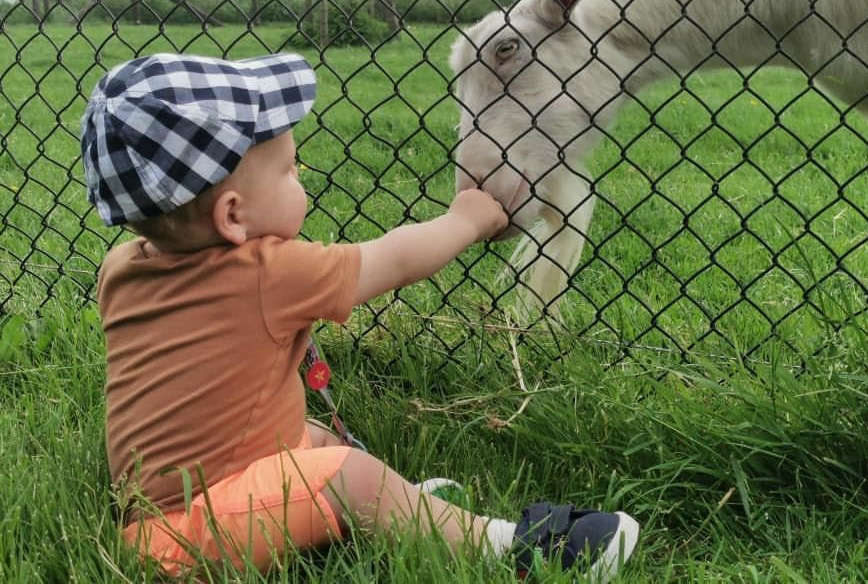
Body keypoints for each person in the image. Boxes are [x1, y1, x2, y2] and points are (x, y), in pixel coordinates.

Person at [81, 52, 639, 579]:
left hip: (164, 514)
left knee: (317, 440)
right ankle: (513, 549)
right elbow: (393, 259)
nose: (302, 178)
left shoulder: (121, 269)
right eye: (290, 170)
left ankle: (408, 510)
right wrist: (468, 220)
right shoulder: (268, 272)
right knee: (350, 475)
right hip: (192, 537)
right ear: (233, 215)